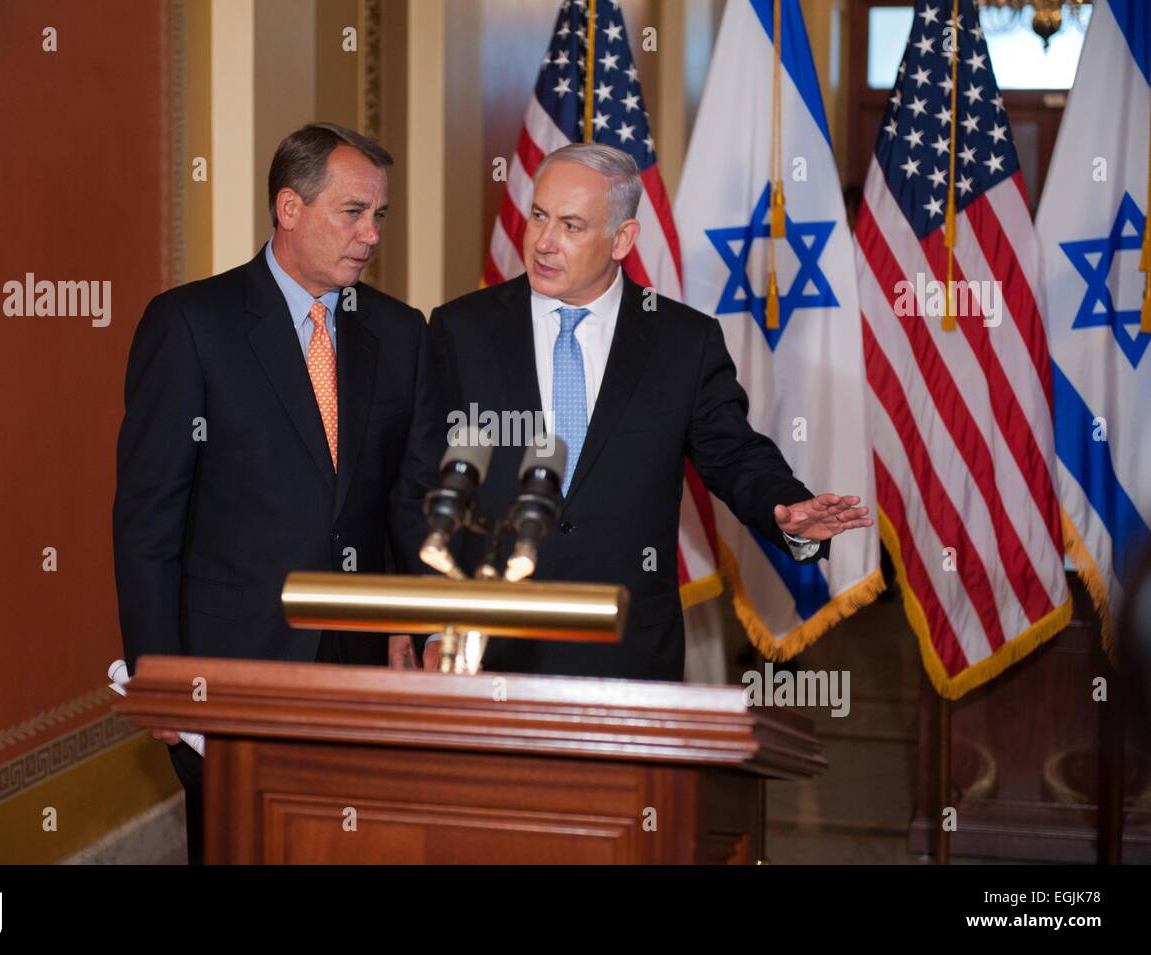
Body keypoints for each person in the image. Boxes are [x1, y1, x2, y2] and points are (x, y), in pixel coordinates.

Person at [422, 143, 871, 680]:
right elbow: (417, 482)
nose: (543, 242)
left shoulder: (681, 340)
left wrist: (786, 507)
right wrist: (426, 623)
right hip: (487, 642)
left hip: (627, 645)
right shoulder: (461, 330)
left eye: (571, 226)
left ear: (622, 239)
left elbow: (732, 451)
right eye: (539, 215)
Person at [112, 123, 439, 862]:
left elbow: (408, 503)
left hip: (359, 672)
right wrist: (158, 670)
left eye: (379, 216)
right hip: (232, 668)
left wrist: (408, 625)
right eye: (352, 212)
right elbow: (147, 520)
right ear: (289, 208)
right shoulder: (193, 324)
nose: (370, 234)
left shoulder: (399, 332)